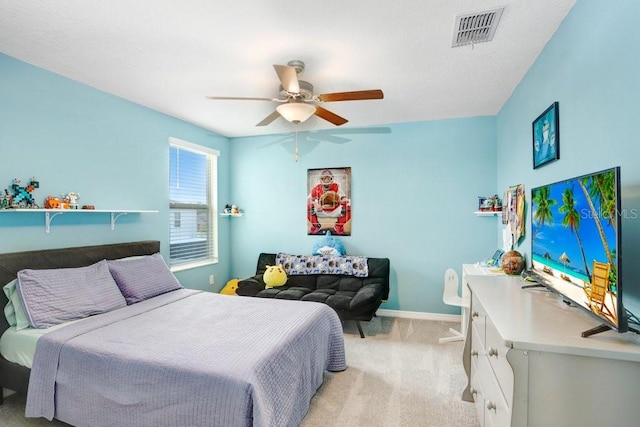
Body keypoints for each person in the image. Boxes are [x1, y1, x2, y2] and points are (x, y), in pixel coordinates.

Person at [307, 169, 351, 235]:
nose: (326, 181)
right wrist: (315, 204)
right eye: (324, 178)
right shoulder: (316, 189)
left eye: (328, 178)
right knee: (307, 206)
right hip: (321, 210)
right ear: (320, 180)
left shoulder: (336, 188)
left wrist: (341, 201)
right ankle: (316, 225)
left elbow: (344, 198)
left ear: (332, 180)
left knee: (350, 206)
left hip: (335, 210)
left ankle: (339, 225)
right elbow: (308, 200)